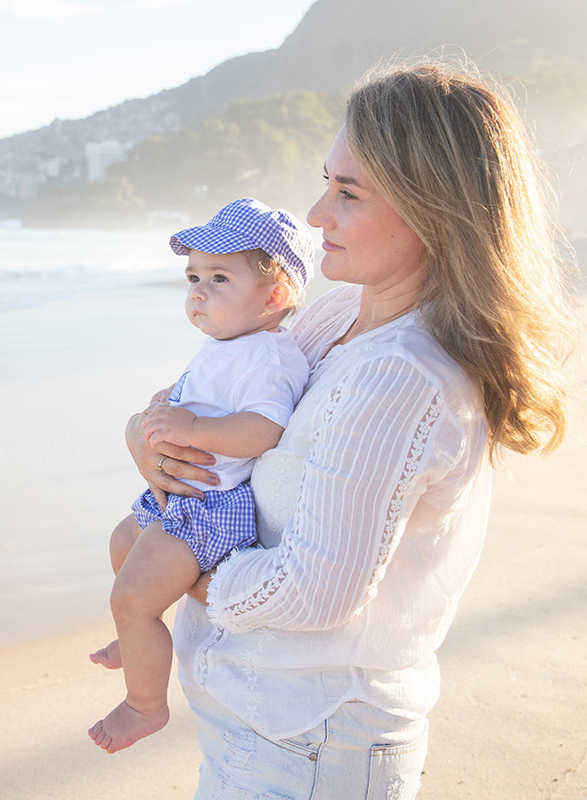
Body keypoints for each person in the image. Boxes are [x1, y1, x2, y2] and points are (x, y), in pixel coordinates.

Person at [126, 60, 579, 797]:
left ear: (433, 208)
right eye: (325, 180)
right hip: (265, 731)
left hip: (310, 747)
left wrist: (185, 574)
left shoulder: (403, 375)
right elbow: (217, 397)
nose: (314, 214)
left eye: (348, 193)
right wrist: (147, 443)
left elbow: (312, 595)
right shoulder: (341, 314)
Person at [87, 197, 315, 754]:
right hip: (184, 498)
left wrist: (188, 423)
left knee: (132, 595)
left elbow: (262, 429)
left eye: (218, 278)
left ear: (274, 296)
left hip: (214, 508)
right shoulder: (227, 345)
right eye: (193, 276)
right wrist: (170, 403)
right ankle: (138, 636)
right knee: (122, 542)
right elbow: (208, 400)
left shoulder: (268, 356)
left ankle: (144, 705)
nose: (198, 291)